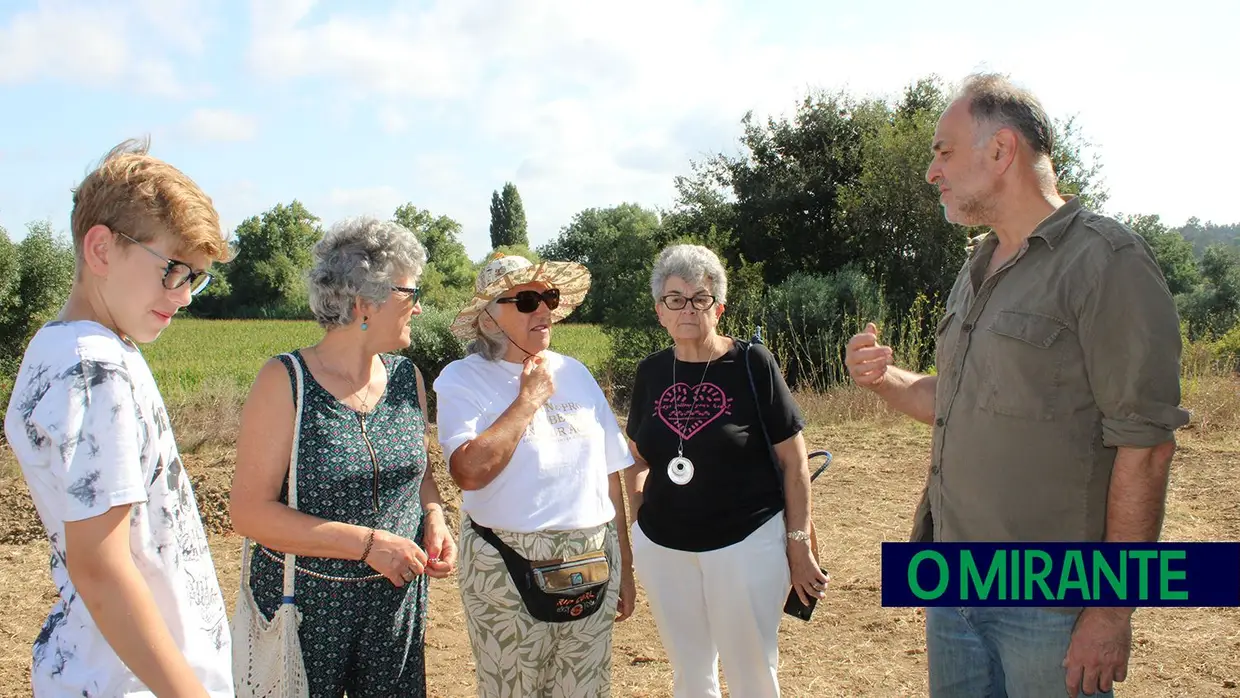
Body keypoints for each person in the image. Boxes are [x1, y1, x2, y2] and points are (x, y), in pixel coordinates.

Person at [844, 73, 1190, 698]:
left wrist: (1112, 612)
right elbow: (954, 402)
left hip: (1051, 602)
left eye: (943, 151)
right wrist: (884, 379)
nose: (931, 171)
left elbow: (1147, 448)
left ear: (1001, 151)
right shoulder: (978, 265)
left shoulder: (1107, 263)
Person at [2, 138, 234, 696]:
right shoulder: (96, 367)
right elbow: (102, 569)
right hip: (131, 682)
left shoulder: (56, 348)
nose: (182, 297)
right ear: (101, 249)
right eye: (174, 270)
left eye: (195, 280)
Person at [229, 216, 456, 698]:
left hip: (394, 613)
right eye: (410, 294)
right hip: (308, 613)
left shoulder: (405, 378)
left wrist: (434, 516)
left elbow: (420, 475)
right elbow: (249, 512)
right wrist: (370, 545)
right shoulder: (284, 381)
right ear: (364, 304)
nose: (418, 308)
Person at [622, 243, 828, 698]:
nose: (688, 309)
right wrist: (639, 520)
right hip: (665, 549)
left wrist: (797, 544)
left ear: (720, 307)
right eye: (675, 299)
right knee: (690, 675)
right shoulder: (651, 372)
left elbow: (793, 461)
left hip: (745, 544)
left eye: (700, 298)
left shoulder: (753, 364)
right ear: (660, 311)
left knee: (753, 673)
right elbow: (637, 455)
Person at [433, 252, 635, 697]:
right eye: (526, 300)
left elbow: (608, 478)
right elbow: (468, 472)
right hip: (505, 562)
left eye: (548, 297)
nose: (543, 308)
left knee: (585, 690)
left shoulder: (577, 373)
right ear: (489, 319)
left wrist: (626, 566)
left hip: (593, 559)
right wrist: (528, 400)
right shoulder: (462, 379)